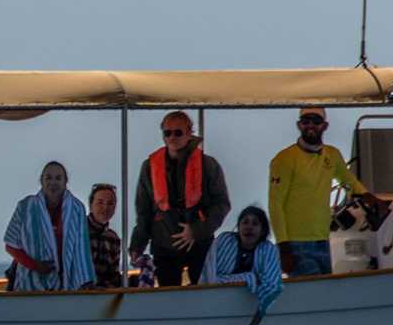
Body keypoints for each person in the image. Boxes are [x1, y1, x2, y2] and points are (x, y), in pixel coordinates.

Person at [267, 107, 376, 276]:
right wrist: (283, 246)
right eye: (306, 121)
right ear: (299, 125)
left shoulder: (332, 155)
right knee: (312, 293)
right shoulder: (283, 159)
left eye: (316, 121)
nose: (310, 125)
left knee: (325, 291)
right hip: (296, 244)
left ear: (325, 126)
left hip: (324, 240)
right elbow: (275, 203)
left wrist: (369, 197)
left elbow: (348, 181)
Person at [129, 112, 231, 286]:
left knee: (203, 295)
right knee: (169, 299)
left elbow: (222, 204)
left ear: (190, 133)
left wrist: (197, 230)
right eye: (167, 133)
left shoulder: (208, 165)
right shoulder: (149, 167)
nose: (172, 137)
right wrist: (137, 245)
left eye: (178, 132)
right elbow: (143, 210)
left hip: (200, 243)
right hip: (164, 244)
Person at [3, 161, 96, 291]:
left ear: (65, 182)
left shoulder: (76, 208)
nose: (53, 182)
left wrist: (87, 280)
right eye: (48, 177)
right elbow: (10, 245)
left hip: (67, 286)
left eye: (58, 178)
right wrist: (35, 265)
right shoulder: (25, 207)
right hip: (30, 285)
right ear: (41, 181)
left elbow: (82, 248)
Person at [206, 205, 284, 314]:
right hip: (217, 304)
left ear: (262, 230)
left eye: (255, 223)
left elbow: (271, 283)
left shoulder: (268, 250)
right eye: (245, 222)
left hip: (251, 306)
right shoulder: (223, 243)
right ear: (238, 227)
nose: (249, 227)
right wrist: (249, 278)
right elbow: (211, 279)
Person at [84, 183, 125, 288]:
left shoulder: (113, 239)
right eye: (100, 202)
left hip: (104, 295)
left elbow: (113, 274)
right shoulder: (78, 232)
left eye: (110, 203)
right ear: (91, 205)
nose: (105, 208)